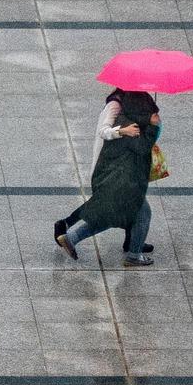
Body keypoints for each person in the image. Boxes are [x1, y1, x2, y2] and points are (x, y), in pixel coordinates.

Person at [54, 89, 158, 267]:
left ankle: (73, 237)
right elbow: (133, 144)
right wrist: (152, 127)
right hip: (116, 177)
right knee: (139, 213)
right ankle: (134, 254)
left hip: (118, 175)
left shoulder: (129, 115)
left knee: (112, 214)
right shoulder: (124, 118)